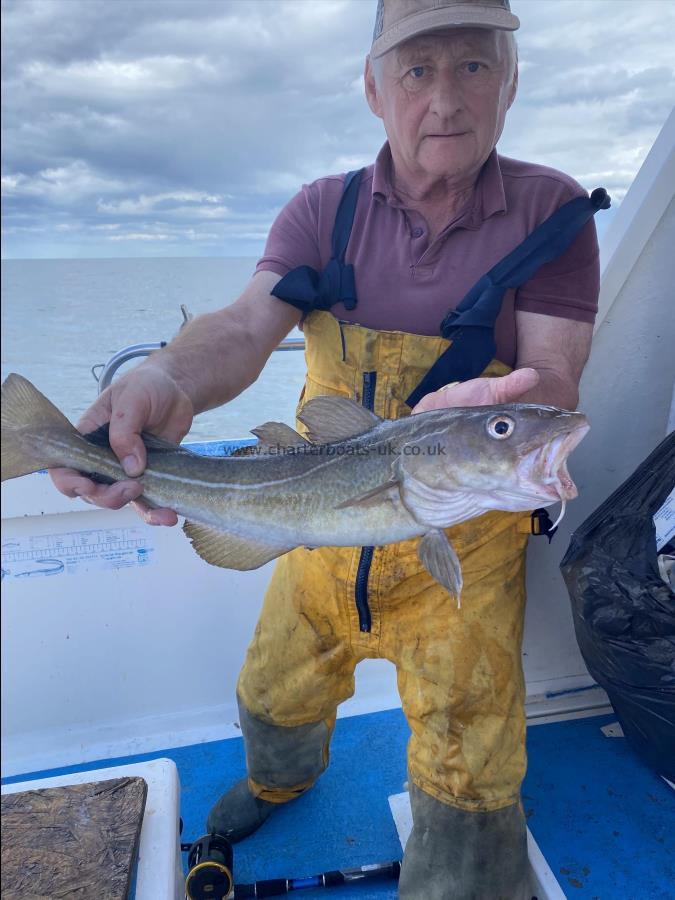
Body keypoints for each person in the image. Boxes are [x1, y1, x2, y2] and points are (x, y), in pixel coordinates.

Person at [52, 1, 605, 897]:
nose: (445, 99)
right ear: (373, 88)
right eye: (417, 71)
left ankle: (459, 865)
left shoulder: (551, 210)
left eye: (472, 66)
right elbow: (240, 328)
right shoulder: (324, 210)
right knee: (275, 690)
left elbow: (551, 377)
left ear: (510, 82)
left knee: (471, 751)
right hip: (310, 520)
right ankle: (278, 778)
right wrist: (166, 381)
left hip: (464, 548)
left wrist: (501, 411)